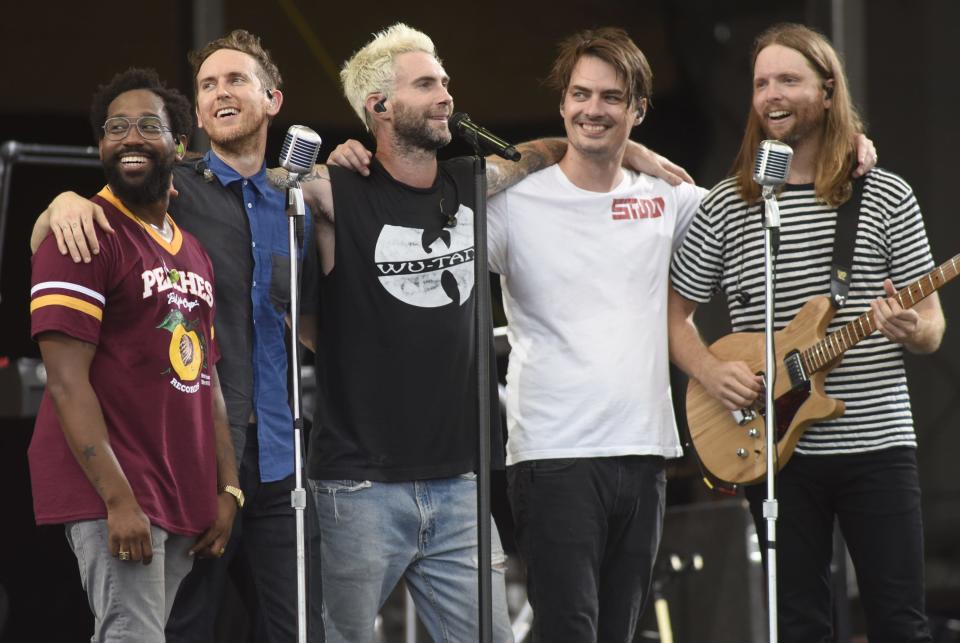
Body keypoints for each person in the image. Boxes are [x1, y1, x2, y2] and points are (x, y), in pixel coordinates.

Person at [297, 22, 692, 642]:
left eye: (445, 80)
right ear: (378, 106)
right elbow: (256, 215)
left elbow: (538, 154)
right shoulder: (330, 192)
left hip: (460, 481)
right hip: (361, 480)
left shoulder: (472, 187)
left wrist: (624, 150)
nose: (446, 94)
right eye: (427, 84)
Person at [31, 30, 324, 643]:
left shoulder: (297, 200)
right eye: (208, 83)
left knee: (298, 629)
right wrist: (58, 203)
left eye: (235, 80)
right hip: (173, 460)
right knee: (174, 627)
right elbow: (78, 225)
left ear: (273, 98)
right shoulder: (168, 185)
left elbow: (299, 331)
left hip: (275, 454)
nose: (220, 92)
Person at [668, 23, 944, 642]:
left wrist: (910, 328)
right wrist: (710, 371)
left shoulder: (886, 195)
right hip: (771, 444)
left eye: (788, 79)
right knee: (797, 625)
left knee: (900, 621)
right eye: (761, 82)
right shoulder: (725, 206)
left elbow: (931, 327)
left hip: (877, 441)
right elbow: (672, 313)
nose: (771, 93)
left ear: (826, 91)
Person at [481, 28, 706, 641]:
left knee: (620, 633)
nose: (592, 109)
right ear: (561, 104)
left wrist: (852, 150)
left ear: (638, 110)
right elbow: (443, 197)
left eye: (611, 98)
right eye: (580, 94)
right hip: (553, 456)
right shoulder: (514, 203)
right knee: (569, 630)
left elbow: (755, 207)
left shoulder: (669, 198)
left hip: (644, 454)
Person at [28, 68, 238, 642]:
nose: (130, 137)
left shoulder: (191, 249)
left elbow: (207, 380)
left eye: (149, 125)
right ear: (100, 145)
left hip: (178, 494)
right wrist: (118, 500)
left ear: (180, 146)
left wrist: (228, 488)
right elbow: (66, 383)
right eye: (115, 127)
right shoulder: (81, 235)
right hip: (114, 493)